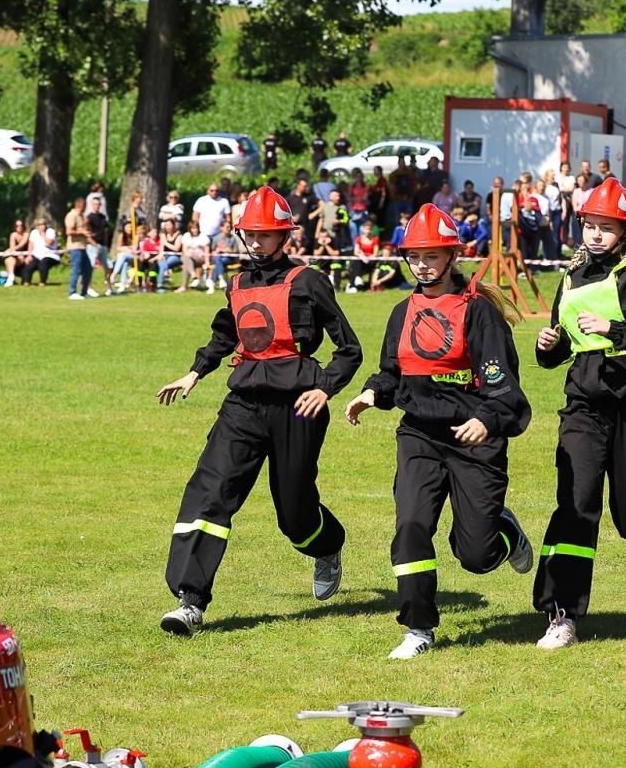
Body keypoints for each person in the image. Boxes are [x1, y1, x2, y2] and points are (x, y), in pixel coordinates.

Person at [153, 186, 361, 637]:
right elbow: (224, 335)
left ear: (284, 235)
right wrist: (195, 372)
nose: (258, 241)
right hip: (242, 406)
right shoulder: (238, 283)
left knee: (295, 515)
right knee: (209, 491)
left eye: (267, 234)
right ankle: (190, 601)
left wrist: (324, 389)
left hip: (299, 407)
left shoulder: (309, 281)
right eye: (252, 233)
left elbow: (349, 349)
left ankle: (328, 546)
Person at [344, 204, 533, 658]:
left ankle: (505, 532)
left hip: (475, 439)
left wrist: (484, 420)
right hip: (419, 434)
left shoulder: (479, 312)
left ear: (452, 256)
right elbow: (392, 370)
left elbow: (505, 389)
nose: (423, 265)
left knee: (475, 555)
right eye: (415, 256)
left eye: (432, 255)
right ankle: (418, 629)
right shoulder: (401, 310)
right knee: (410, 523)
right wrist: (372, 393)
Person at [530, 178, 626, 649]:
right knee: (576, 503)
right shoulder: (572, 275)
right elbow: (565, 345)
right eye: (590, 226)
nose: (595, 235)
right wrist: (548, 347)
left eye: (606, 227)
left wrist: (615, 329)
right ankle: (561, 615)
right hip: (584, 404)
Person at [65, 197, 96, 300]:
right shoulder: (72, 215)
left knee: (88, 269)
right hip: (75, 247)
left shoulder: (82, 216)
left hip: (83, 247)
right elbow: (69, 231)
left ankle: (84, 291)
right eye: (85, 205)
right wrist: (82, 232)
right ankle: (72, 292)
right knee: (76, 270)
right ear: (80, 205)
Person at [24, 218, 60, 285]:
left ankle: (42, 281)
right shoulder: (33, 232)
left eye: (43, 224)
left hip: (50, 254)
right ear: (36, 226)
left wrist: (43, 234)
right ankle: (26, 282)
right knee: (30, 264)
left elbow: (49, 243)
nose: (42, 226)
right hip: (37, 254)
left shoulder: (50, 231)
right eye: (39, 225)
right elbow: (30, 245)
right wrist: (29, 256)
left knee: (43, 263)